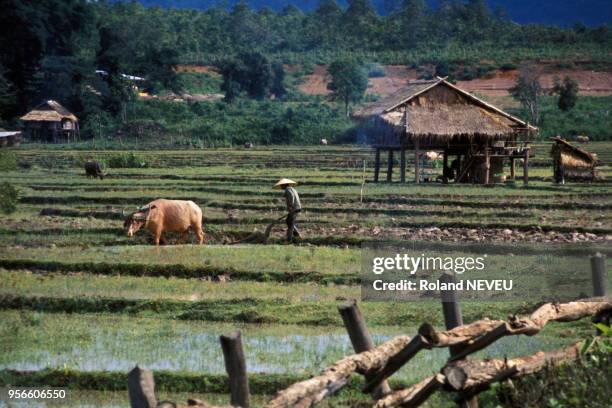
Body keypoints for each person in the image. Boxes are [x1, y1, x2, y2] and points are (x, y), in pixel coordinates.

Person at [273, 178, 301, 243]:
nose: (281, 187)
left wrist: (291, 206)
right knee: (289, 221)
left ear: (284, 185)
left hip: (294, 208)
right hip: (297, 207)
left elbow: (291, 197)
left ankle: (289, 240)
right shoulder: (292, 189)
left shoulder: (288, 190)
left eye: (281, 185)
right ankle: (297, 234)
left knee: (290, 223)